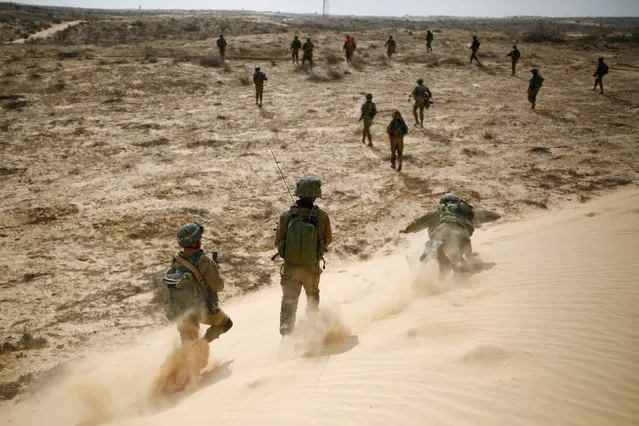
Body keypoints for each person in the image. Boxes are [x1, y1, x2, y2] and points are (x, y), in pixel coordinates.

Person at [275, 176, 332, 336]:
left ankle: (286, 335)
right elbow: (328, 240)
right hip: (311, 268)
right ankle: (312, 332)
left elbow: (278, 241)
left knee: (289, 304)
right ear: (315, 196)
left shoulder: (286, 215)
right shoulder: (322, 216)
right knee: (312, 298)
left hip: (290, 269)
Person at [163, 221, 233, 346]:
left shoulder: (175, 261)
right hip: (203, 310)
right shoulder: (205, 261)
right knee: (226, 323)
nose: (201, 238)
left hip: (181, 312)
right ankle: (202, 344)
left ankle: (182, 362)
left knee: (188, 350)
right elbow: (216, 286)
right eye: (200, 237)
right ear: (196, 241)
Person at [399, 193, 475, 273]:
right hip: (464, 237)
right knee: (461, 259)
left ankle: (422, 270)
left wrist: (406, 230)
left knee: (425, 257)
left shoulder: (435, 214)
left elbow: (418, 223)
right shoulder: (463, 217)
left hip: (439, 239)